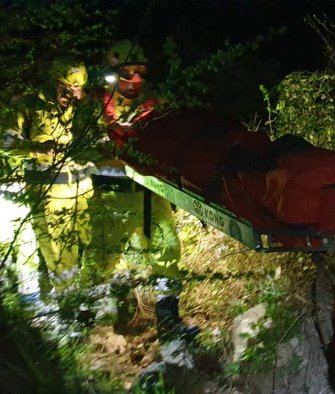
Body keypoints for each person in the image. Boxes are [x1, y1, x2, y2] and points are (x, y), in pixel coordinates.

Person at [82, 40, 197, 340]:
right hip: (112, 195)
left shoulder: (153, 102)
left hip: (150, 192)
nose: (135, 79)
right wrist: (107, 142)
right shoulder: (96, 104)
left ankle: (169, 322)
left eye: (140, 71)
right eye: (127, 72)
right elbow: (81, 145)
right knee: (100, 259)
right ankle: (85, 322)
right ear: (112, 71)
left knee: (167, 251)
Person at [11, 60, 93, 298]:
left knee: (90, 243)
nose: (72, 95)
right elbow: (5, 142)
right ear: (53, 83)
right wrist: (36, 149)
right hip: (46, 191)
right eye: (67, 88)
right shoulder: (28, 105)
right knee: (57, 249)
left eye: (78, 89)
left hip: (82, 189)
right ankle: (68, 303)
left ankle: (94, 301)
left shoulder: (83, 107)